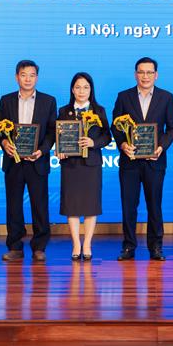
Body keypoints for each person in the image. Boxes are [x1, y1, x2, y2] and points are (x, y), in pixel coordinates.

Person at [112, 57, 173, 261]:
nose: (145, 76)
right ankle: (128, 246)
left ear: (156, 75)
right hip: (129, 161)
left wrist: (161, 147)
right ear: (135, 75)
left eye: (149, 72)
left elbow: (172, 127)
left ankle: (156, 246)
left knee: (154, 205)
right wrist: (123, 144)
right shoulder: (124, 96)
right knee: (128, 206)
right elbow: (115, 126)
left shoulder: (166, 97)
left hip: (155, 161)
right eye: (141, 72)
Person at [0, 60, 57, 263]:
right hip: (13, 161)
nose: (28, 79)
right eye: (24, 75)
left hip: (37, 161)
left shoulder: (48, 101)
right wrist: (4, 142)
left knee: (39, 205)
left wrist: (42, 150)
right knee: (13, 205)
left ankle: (39, 247)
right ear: (17, 77)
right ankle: (15, 247)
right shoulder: (6, 101)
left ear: (37, 78)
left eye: (32, 75)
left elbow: (52, 132)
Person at [55, 72, 110, 261]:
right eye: (78, 87)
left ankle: (87, 244)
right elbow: (59, 135)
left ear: (91, 90)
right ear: (72, 89)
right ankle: (76, 244)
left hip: (91, 164)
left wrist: (94, 142)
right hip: (71, 165)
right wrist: (59, 149)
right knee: (71, 206)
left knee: (90, 205)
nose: (81, 91)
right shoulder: (64, 111)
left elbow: (107, 136)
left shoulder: (99, 111)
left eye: (86, 87)